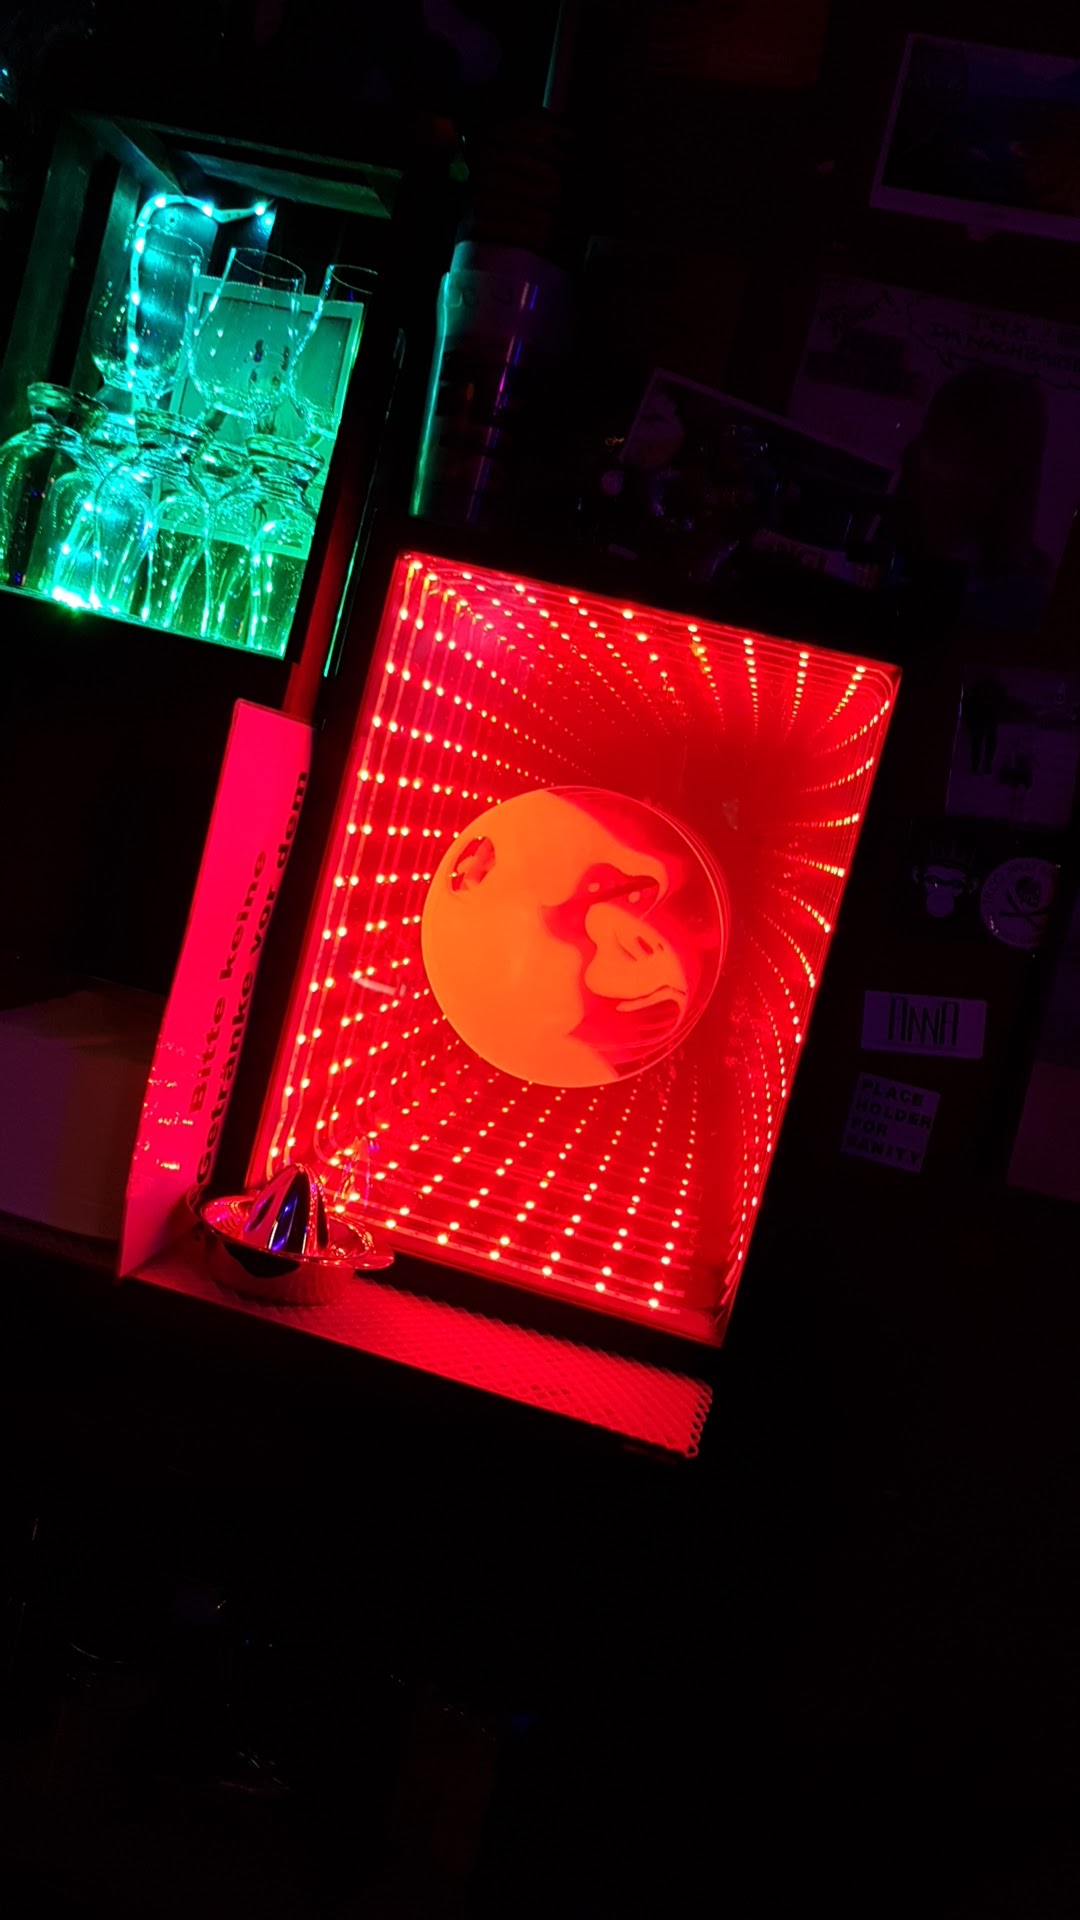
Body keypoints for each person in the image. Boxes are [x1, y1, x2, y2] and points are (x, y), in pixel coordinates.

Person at [894, 365, 1052, 632]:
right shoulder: (877, 544)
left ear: (1013, 478)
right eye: (941, 448)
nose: (949, 475)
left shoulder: (1022, 603)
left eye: (977, 461)